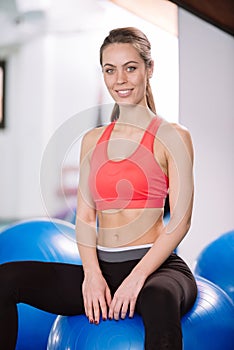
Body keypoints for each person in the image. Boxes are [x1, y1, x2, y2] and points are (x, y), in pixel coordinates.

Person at [0, 27, 197, 350]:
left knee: (158, 298)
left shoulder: (173, 135)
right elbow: (86, 216)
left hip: (158, 268)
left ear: (149, 69)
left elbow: (180, 221)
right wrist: (92, 274)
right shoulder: (94, 140)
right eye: (110, 69)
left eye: (130, 67)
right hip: (103, 267)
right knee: (4, 279)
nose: (120, 79)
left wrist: (137, 278)